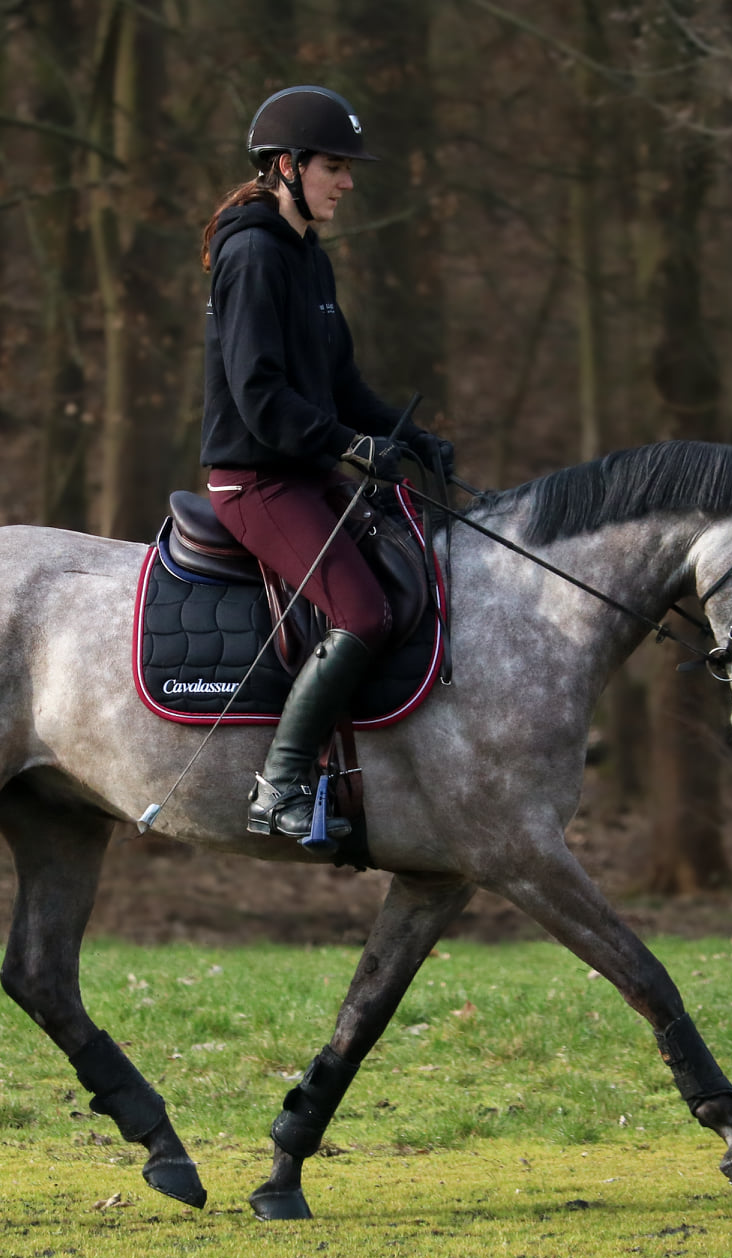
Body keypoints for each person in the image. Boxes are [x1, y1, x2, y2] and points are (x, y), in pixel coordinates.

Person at [199, 85, 453, 848]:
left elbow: (341, 386)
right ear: (287, 166)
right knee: (363, 613)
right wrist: (349, 448)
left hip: (306, 472)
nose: (347, 182)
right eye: (335, 167)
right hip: (257, 480)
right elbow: (259, 396)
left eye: (348, 169)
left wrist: (404, 436)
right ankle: (278, 785)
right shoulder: (250, 255)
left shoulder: (309, 260)